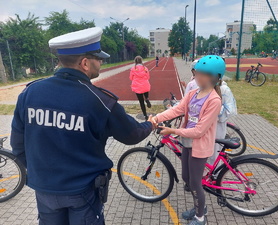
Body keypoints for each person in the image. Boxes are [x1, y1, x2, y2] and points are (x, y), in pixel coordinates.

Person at [10, 27, 155, 225]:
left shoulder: (30, 93)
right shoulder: (99, 100)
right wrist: (151, 123)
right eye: (98, 58)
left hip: (44, 189)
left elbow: (18, 144)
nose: (101, 62)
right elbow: (132, 134)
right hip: (82, 192)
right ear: (85, 63)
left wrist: (41, 172)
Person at [152, 55, 225, 225]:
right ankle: (200, 207)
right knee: (186, 177)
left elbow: (199, 131)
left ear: (214, 77)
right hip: (187, 142)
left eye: (202, 74)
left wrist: (173, 130)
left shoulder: (214, 100)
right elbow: (177, 110)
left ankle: (200, 216)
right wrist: (156, 118)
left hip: (199, 145)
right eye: (196, 72)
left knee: (195, 182)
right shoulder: (193, 93)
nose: (196, 77)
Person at [130, 56, 151, 120]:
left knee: (141, 102)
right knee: (146, 93)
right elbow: (148, 77)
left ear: (135, 61)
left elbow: (131, 78)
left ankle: (145, 115)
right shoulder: (145, 68)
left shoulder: (133, 69)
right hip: (145, 85)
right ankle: (147, 99)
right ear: (141, 61)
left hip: (137, 86)